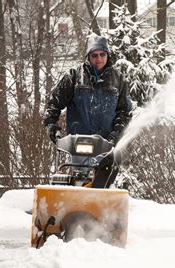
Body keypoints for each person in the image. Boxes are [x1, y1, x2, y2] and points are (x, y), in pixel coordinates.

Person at [44, 34, 132, 188]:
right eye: (94, 55)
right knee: (78, 179)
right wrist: (51, 125)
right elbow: (54, 103)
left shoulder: (118, 80)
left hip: (106, 144)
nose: (99, 59)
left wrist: (116, 134)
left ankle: (99, 207)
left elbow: (124, 112)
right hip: (78, 142)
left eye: (102, 55)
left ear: (107, 55)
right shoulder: (74, 76)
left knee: (102, 184)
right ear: (88, 57)